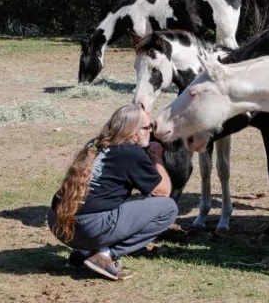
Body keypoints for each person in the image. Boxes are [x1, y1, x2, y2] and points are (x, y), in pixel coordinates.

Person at [47, 103, 177, 281]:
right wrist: (156, 158)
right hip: (88, 228)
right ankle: (104, 255)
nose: (151, 132)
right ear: (134, 132)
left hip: (58, 222)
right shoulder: (131, 153)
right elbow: (163, 192)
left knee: (109, 201)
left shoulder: (94, 145)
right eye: (148, 127)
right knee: (168, 208)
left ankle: (84, 251)